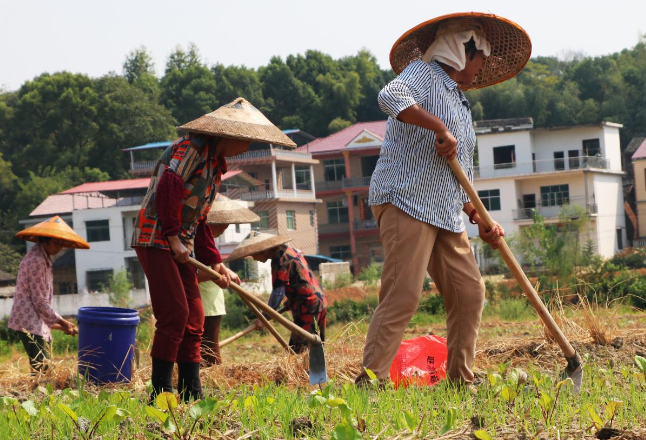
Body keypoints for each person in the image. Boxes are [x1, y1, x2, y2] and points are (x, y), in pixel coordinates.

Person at [355, 13, 531, 386]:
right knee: (403, 295)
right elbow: (390, 96)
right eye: (481, 56)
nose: (482, 66)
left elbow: (459, 176)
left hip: (444, 210)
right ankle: (371, 381)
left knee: (469, 292)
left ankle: (459, 379)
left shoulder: (461, 105)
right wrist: (437, 126)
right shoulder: (425, 74)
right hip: (406, 198)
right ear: (462, 49)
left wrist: (478, 215)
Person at [131, 97, 296, 401]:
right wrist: (172, 238)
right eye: (244, 141)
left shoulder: (215, 165)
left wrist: (215, 262)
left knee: (195, 316)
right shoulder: (191, 149)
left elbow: (201, 219)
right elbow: (168, 186)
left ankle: (192, 393)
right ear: (227, 135)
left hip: (181, 242)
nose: (245, 148)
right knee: (175, 314)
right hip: (156, 238)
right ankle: (160, 393)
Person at [9, 216, 89, 374]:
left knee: (42, 370)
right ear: (44, 240)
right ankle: (39, 397)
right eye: (56, 242)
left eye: (61, 243)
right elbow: (39, 302)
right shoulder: (37, 260)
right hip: (29, 323)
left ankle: (39, 395)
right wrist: (64, 322)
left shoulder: (43, 259)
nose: (59, 247)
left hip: (33, 321)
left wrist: (62, 326)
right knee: (44, 370)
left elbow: (39, 308)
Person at [227, 232, 327, 354]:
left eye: (253, 255)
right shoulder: (289, 250)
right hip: (318, 301)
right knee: (317, 349)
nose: (254, 258)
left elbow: (278, 292)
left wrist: (264, 317)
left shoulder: (279, 259)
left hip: (308, 306)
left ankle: (305, 373)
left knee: (299, 352)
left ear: (263, 250)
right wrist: (291, 301)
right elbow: (300, 279)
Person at [197, 195, 259, 366]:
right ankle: (212, 379)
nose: (226, 227)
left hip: (212, 300)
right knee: (208, 346)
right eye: (223, 223)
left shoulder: (207, 240)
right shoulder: (197, 236)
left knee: (210, 344)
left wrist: (224, 270)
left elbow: (214, 263)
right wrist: (214, 274)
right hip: (203, 300)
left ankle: (212, 376)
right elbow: (195, 273)